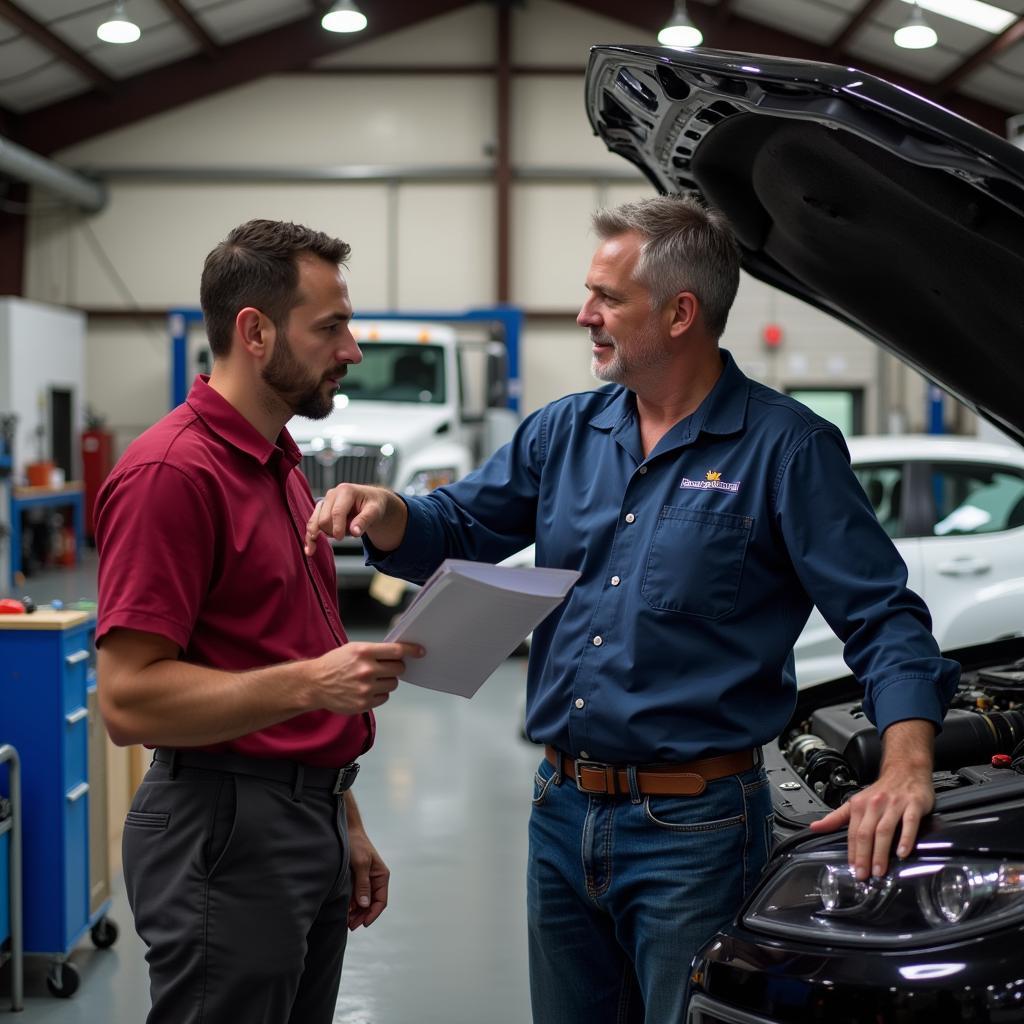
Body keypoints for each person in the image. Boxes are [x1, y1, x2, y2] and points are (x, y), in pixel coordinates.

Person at [304, 196, 960, 1023]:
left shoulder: (786, 450)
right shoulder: (564, 433)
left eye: (607, 299)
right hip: (559, 810)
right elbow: (460, 524)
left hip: (696, 834)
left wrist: (906, 766)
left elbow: (884, 618)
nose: (585, 316)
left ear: (681, 313)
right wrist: (386, 509)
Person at [94, 219, 422, 1024]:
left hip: (298, 817)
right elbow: (128, 701)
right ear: (254, 330)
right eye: (331, 327)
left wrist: (338, 810)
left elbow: (280, 647)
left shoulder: (279, 467)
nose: (350, 350)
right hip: (224, 831)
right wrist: (319, 683)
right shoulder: (174, 475)